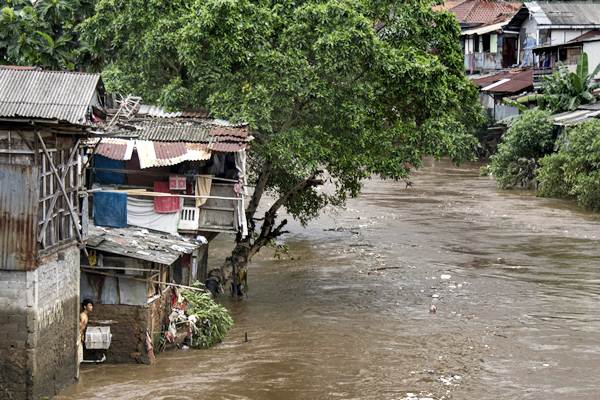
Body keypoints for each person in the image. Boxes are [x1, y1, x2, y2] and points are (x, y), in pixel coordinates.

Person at [78, 299, 94, 365]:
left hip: (80, 336)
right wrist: (80, 336)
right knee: (78, 356)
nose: (91, 307)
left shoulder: (86, 316)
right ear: (85, 307)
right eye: (90, 305)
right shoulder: (82, 316)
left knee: (79, 356)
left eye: (92, 305)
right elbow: (79, 328)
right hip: (78, 336)